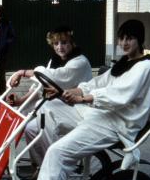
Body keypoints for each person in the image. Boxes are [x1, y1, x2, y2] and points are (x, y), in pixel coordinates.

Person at [11, 19, 150, 180]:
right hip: (99, 113)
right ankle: (50, 173)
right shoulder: (124, 62)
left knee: (57, 151)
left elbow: (121, 95)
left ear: (139, 40)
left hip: (117, 124)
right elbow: (100, 82)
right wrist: (76, 91)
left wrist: (86, 97)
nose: (125, 43)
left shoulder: (145, 66)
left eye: (130, 38)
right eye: (122, 38)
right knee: (47, 108)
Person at [8, 26, 92, 167]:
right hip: (61, 106)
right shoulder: (55, 61)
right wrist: (20, 102)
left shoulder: (79, 62)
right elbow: (41, 87)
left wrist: (22, 72)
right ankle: (41, 166)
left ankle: (54, 165)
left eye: (64, 42)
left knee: (45, 106)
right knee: (31, 128)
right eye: (56, 43)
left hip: (77, 109)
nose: (60, 47)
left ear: (72, 43)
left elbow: (51, 76)